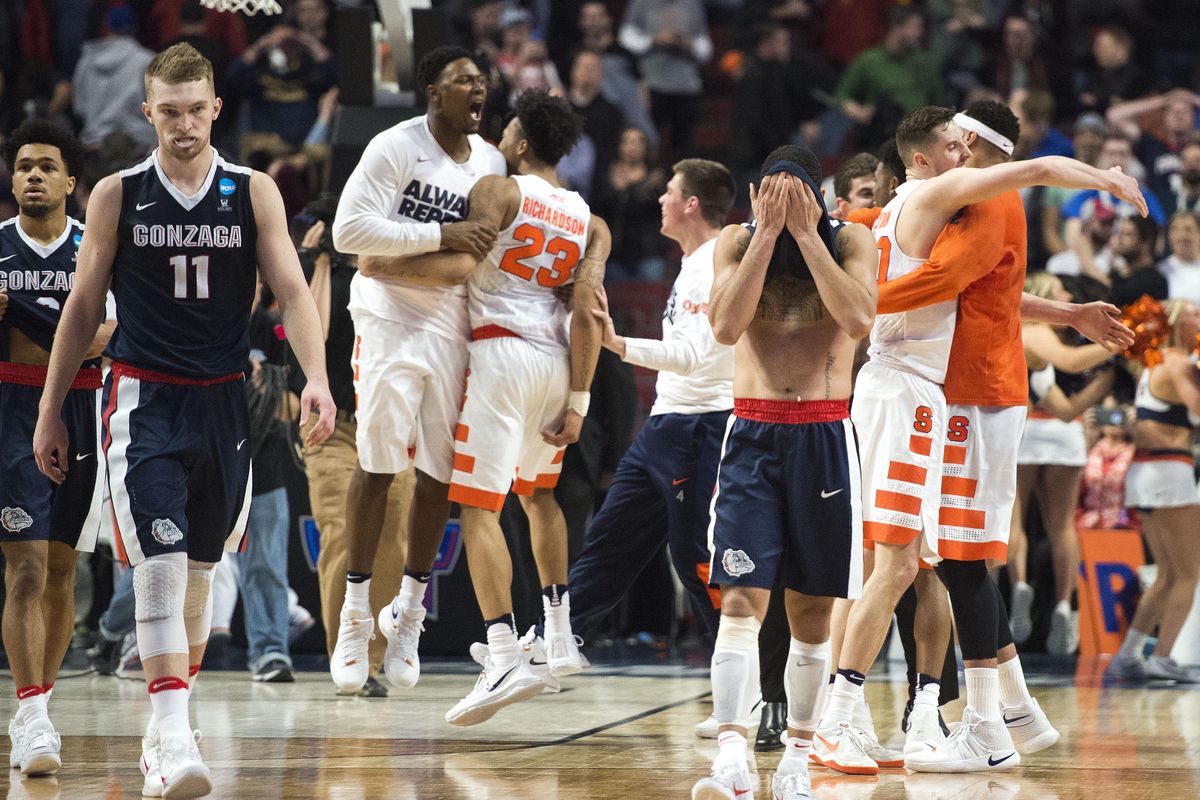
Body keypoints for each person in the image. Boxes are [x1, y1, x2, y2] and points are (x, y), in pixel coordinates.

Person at [32, 43, 335, 799]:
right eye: (169, 111)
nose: (184, 124)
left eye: (196, 109)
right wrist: (51, 410)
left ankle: (172, 723)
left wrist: (320, 379)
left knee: (202, 573)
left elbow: (294, 295)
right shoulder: (116, 195)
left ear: (216, 109)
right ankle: (168, 732)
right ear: (148, 113)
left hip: (228, 398)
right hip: (145, 397)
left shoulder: (252, 190)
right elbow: (79, 311)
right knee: (161, 570)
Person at [836, 102, 1139, 774]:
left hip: (967, 388)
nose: (952, 149)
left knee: (951, 561)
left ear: (969, 143)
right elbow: (989, 296)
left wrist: (858, 302)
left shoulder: (988, 198)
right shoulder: (946, 200)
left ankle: (968, 722)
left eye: (957, 139)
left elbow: (948, 281)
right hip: (957, 387)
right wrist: (1069, 311)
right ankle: (1013, 714)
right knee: (946, 559)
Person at [357, 89, 610, 724]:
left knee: (476, 508)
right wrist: (579, 399)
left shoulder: (502, 192)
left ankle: (501, 653)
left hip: (500, 355)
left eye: (507, 132)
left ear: (520, 143)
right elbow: (588, 312)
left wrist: (379, 263)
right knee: (539, 495)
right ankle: (557, 633)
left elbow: (458, 266)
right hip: (557, 363)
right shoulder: (590, 219)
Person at [693, 143, 878, 800]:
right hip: (754, 433)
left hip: (826, 434)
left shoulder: (851, 242)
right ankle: (733, 753)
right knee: (740, 602)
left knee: (811, 615)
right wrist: (769, 231)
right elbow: (722, 326)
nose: (782, 208)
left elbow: (859, 318)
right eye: (771, 197)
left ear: (820, 199)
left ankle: (799, 756)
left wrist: (806, 230)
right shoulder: (737, 244)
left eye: (795, 197)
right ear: (753, 199)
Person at [328, 45, 506, 696]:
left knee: (438, 475)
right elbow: (350, 232)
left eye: (482, 82)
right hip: (386, 320)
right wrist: (440, 237)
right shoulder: (393, 147)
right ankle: (354, 617)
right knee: (377, 465)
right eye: (463, 81)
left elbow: (477, 252)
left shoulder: (489, 163)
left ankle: (407, 613)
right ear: (433, 91)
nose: (476, 90)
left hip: (451, 321)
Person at [1, 121, 110, 777]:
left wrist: (16, 310)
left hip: (82, 408)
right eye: (23, 167)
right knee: (26, 569)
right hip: (12, 410)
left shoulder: (96, 251)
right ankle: (32, 711)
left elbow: (98, 339)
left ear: (71, 183)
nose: (33, 175)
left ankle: (39, 702)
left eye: (46, 166)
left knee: (65, 572)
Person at [292, 197, 413, 699]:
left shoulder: (396, 267)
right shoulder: (322, 264)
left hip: (389, 422)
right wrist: (319, 259)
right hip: (333, 425)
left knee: (392, 540)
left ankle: (378, 658)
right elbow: (311, 338)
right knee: (341, 533)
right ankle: (349, 654)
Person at [1008, 272, 1116, 653]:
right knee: (1062, 525)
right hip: (1056, 434)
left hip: (1023, 430)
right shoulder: (1035, 331)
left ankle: (1019, 583)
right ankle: (1063, 603)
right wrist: (1121, 344)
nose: (1067, 295)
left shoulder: (1018, 332)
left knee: (1014, 517)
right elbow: (1070, 367)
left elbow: (1058, 399)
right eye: (1059, 291)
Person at [1108, 299, 1200, 684]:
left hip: (1145, 472)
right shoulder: (1178, 363)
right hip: (1169, 472)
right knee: (1188, 574)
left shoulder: (1150, 365)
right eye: (1194, 313)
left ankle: (1128, 655)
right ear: (1178, 323)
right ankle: (1163, 657)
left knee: (1166, 574)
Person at [830, 152, 878, 220]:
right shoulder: (822, 230)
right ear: (843, 207)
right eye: (867, 193)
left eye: (882, 193)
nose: (878, 200)